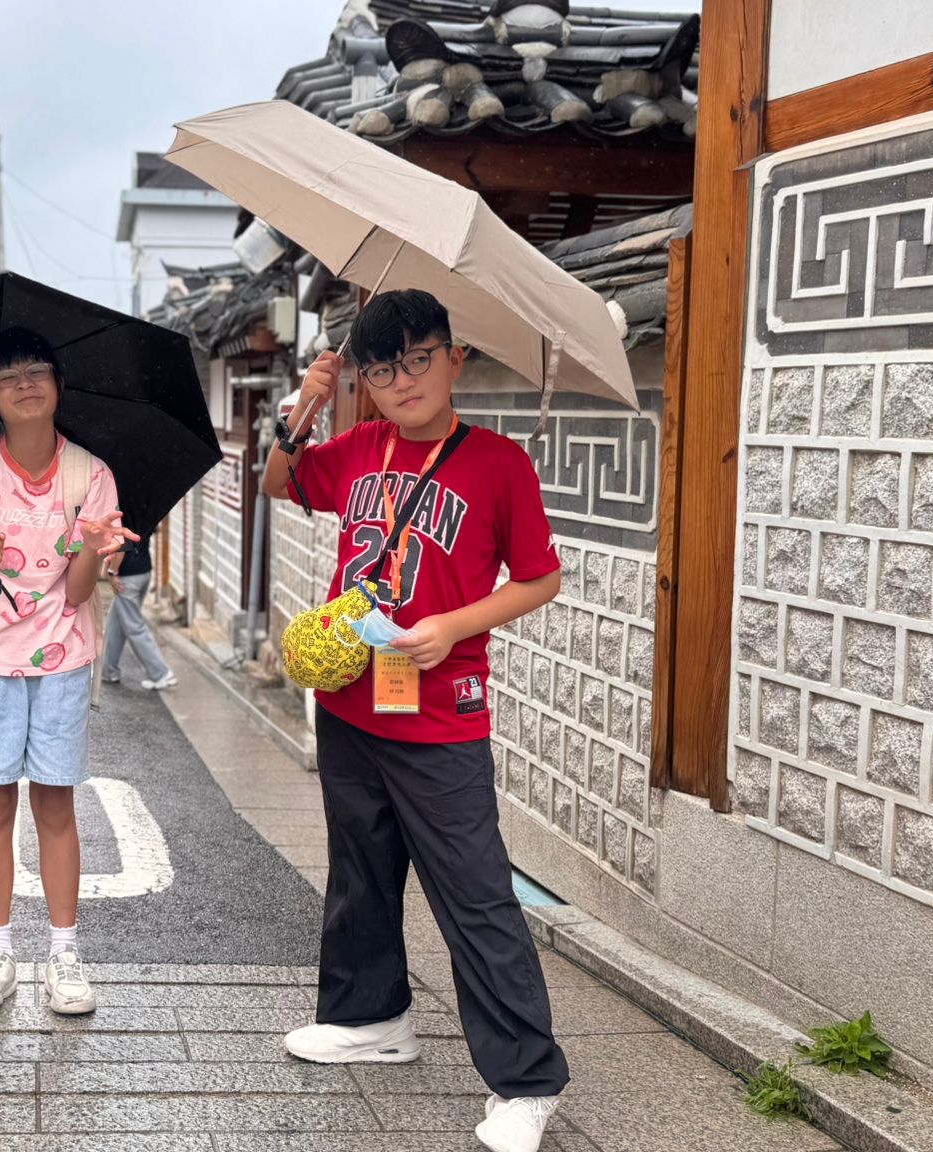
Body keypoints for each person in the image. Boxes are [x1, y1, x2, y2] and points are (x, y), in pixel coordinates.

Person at [259, 290, 570, 1152]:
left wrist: (454, 625)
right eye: (383, 368)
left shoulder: (499, 464)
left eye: (419, 359)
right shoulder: (360, 447)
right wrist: (300, 412)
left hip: (441, 711)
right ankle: (369, 1018)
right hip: (352, 701)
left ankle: (527, 1081)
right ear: (365, 378)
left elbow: (541, 578)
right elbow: (280, 483)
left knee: (474, 892)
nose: (403, 381)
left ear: (454, 358)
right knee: (359, 871)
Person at [0, 327, 134, 1016]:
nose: (24, 384)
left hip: (61, 661)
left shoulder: (90, 476)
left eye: (37, 371)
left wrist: (93, 546)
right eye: (7, 376)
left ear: (59, 386)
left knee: (55, 805)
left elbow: (76, 595)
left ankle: (64, 956)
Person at [100, 530, 176, 690]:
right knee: (116, 621)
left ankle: (161, 674)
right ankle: (108, 671)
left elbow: (120, 545)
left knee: (134, 626)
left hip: (126, 576)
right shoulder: (144, 513)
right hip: (143, 571)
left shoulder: (123, 516)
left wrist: (111, 572)